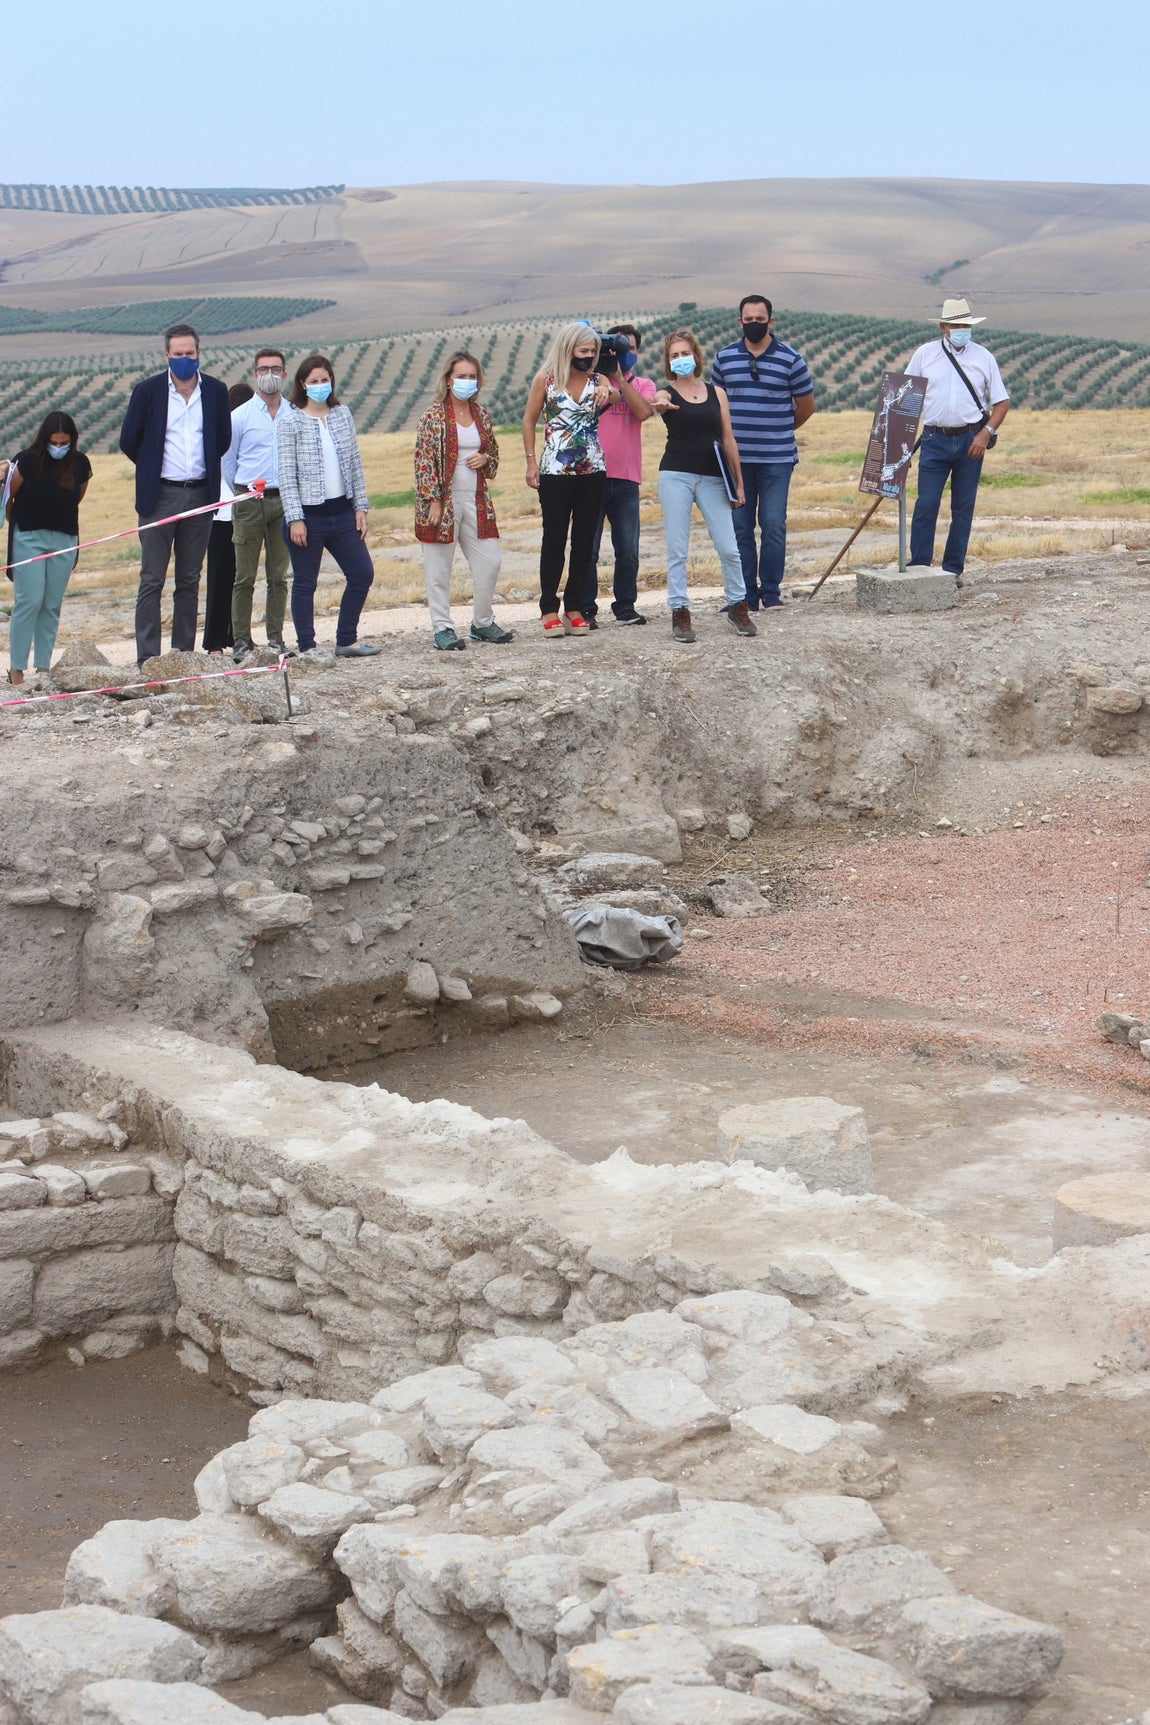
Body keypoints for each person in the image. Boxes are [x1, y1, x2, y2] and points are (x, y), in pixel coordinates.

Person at [119, 323, 232, 666]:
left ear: (199, 352)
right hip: (159, 497)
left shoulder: (215, 391)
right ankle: (148, 658)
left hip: (200, 495)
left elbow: (222, 439)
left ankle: (182, 655)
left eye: (190, 353)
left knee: (189, 578)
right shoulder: (148, 391)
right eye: (178, 353)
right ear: (166, 355)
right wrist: (152, 466)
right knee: (152, 579)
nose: (185, 358)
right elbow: (129, 440)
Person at [711, 295, 814, 612]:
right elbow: (716, 405)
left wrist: (779, 430)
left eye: (759, 319)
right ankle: (744, 595)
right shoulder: (724, 358)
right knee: (740, 528)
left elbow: (806, 406)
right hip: (735, 461)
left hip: (777, 459)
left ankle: (770, 590)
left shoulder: (790, 359)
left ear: (771, 321)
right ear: (739, 321)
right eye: (748, 319)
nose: (753, 324)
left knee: (773, 525)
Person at [276, 354, 378, 659]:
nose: (320, 385)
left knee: (362, 573)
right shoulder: (290, 421)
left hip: (342, 512)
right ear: (303, 384)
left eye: (325, 380)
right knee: (305, 582)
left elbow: (355, 463)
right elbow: (286, 474)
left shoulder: (342, 414)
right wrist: (295, 518)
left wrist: (360, 506)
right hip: (308, 517)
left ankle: (346, 639)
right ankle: (307, 646)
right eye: (314, 381)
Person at [653, 330, 750, 643]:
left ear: (696, 356)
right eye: (675, 356)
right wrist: (660, 402)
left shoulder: (716, 393)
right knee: (677, 547)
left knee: (729, 547)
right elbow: (659, 400)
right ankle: (679, 610)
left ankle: (738, 604)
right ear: (668, 362)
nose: (681, 359)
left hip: (713, 476)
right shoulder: (667, 393)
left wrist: (738, 483)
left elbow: (728, 438)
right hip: (676, 474)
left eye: (685, 353)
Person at [906, 298, 1011, 586]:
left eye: (966, 325)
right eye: (957, 325)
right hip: (933, 438)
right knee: (926, 505)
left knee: (963, 508)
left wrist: (985, 433)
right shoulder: (925, 355)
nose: (963, 330)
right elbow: (905, 397)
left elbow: (1002, 402)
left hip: (971, 440)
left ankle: (952, 571)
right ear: (944, 327)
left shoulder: (984, 357)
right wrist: (899, 446)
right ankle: (919, 568)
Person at [414, 350, 512, 652]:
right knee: (439, 570)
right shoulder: (432, 417)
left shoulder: (481, 414)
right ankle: (442, 628)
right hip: (441, 503)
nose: (467, 381)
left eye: (472, 376)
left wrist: (485, 459)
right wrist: (433, 500)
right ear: (448, 379)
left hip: (477, 500)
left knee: (490, 561)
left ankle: (482, 622)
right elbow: (423, 461)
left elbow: (493, 454)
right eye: (461, 376)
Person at [522, 322, 615, 637]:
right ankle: (549, 608)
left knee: (585, 542)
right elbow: (529, 420)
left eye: (592, 351)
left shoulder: (598, 380)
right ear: (567, 348)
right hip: (555, 471)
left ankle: (574, 607)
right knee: (554, 539)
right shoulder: (546, 379)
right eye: (582, 350)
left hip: (592, 469)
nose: (588, 356)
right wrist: (530, 462)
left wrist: (607, 390)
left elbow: (615, 395)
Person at [5, 412, 90, 685]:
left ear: (72, 441)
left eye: (64, 443)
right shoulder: (26, 461)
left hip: (65, 539)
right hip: (28, 538)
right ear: (45, 439)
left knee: (51, 604)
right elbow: (9, 497)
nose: (59, 447)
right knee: (29, 600)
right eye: (54, 442)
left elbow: (77, 497)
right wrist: (20, 523)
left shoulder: (80, 463)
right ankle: (16, 669)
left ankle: (43, 668)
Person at [223, 348, 293, 660]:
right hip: (249, 501)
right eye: (264, 369)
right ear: (254, 374)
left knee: (278, 576)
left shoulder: (294, 414)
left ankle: (276, 639)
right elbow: (227, 462)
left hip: (284, 502)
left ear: (284, 375)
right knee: (245, 576)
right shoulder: (239, 417)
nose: (270, 375)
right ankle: (241, 640)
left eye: (275, 369)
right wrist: (242, 492)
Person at [587, 324, 656, 626]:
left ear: (636, 352)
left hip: (627, 479)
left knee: (627, 550)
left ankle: (625, 606)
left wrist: (619, 378)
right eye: (616, 348)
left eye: (629, 348)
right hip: (591, 475)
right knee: (587, 550)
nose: (622, 353)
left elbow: (643, 412)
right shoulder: (589, 383)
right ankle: (585, 608)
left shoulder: (643, 384)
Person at [202, 381, 253, 654]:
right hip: (222, 514)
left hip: (237, 512)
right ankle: (215, 641)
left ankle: (235, 637)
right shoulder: (221, 432)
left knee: (237, 578)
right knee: (226, 578)